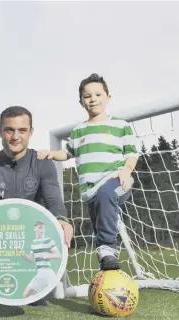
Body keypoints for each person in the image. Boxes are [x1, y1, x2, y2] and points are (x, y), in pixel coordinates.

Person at [0, 106, 74, 307]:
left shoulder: (42, 162)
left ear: (31, 132)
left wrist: (62, 220)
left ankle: (35, 290)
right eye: (9, 130)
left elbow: (53, 199)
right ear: (0, 131)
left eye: (22, 130)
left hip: (29, 238)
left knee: (61, 230)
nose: (15, 136)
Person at [37, 73, 139, 271]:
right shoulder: (79, 131)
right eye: (88, 96)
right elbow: (67, 153)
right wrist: (50, 154)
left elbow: (132, 153)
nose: (93, 99)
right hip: (89, 189)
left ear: (108, 98)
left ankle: (108, 247)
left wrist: (127, 170)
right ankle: (106, 265)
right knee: (98, 220)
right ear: (81, 101)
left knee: (106, 194)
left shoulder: (120, 126)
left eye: (98, 95)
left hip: (116, 179)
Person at [19, 221, 61, 299]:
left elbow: (58, 255)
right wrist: (21, 253)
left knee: (26, 295)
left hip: (46, 273)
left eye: (43, 228)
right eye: (40, 227)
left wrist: (48, 256)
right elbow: (31, 259)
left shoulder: (48, 240)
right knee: (28, 296)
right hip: (41, 273)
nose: (42, 230)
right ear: (35, 229)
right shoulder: (33, 243)